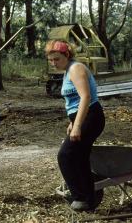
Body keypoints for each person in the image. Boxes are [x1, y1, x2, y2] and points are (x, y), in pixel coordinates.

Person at [45, 40, 105, 211]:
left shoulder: (76, 68)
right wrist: (73, 122)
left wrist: (78, 124)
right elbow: (74, 101)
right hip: (83, 117)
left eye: (57, 59)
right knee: (80, 158)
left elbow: (85, 97)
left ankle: (79, 197)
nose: (53, 63)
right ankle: (89, 199)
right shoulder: (66, 71)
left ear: (67, 55)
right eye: (51, 60)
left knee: (65, 156)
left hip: (91, 117)